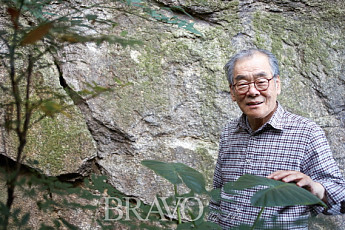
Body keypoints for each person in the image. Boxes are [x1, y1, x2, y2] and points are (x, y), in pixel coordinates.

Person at [208, 48, 345, 229]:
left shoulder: (307, 133)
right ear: (232, 92)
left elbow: (341, 196)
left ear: (277, 84)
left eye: (261, 82)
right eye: (242, 84)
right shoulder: (229, 133)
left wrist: (316, 189)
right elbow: (218, 194)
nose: (252, 91)